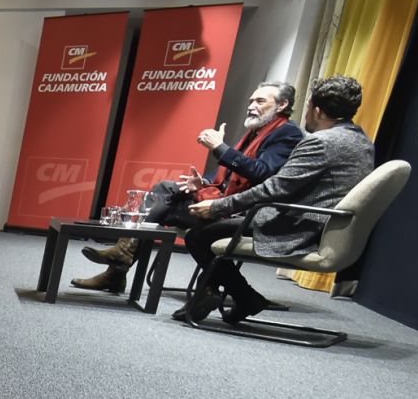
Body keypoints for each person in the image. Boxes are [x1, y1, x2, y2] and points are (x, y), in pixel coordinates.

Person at [74, 80, 306, 294]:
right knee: (166, 193)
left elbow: (263, 173)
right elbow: (229, 176)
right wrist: (203, 183)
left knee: (163, 201)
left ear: (282, 104)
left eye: (260, 101)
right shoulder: (256, 132)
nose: (251, 106)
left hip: (243, 213)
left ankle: (118, 265)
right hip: (225, 205)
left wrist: (220, 148)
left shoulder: (288, 133)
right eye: (251, 101)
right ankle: (120, 261)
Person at [178, 75, 376, 325]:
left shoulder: (321, 142)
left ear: (316, 110)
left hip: (302, 227)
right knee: (212, 228)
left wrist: (218, 206)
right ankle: (236, 297)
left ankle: (246, 296)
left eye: (307, 109)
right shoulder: (361, 140)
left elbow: (275, 188)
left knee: (199, 235)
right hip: (328, 224)